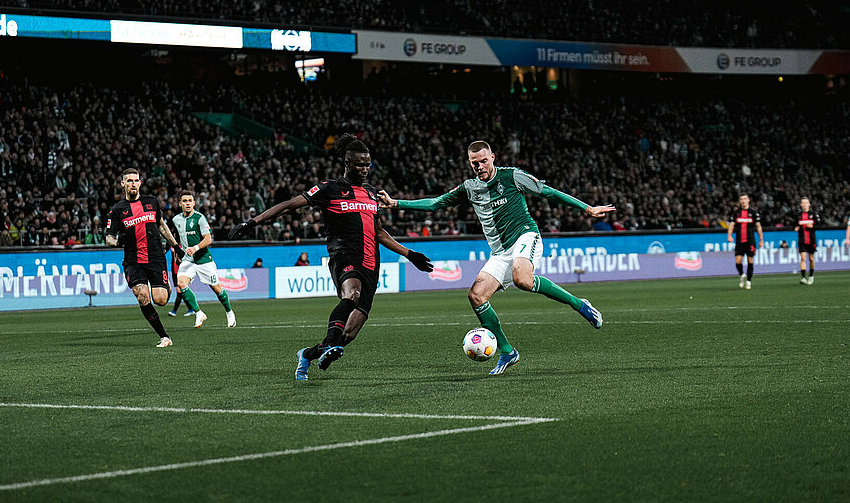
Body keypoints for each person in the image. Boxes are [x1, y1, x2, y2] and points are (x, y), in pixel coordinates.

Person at [378, 140, 614, 376]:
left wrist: (587, 209)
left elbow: (549, 193)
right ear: (469, 164)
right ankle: (507, 351)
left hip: (525, 236)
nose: (479, 166)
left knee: (522, 278)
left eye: (483, 161)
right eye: (474, 163)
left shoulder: (513, 177)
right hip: (500, 253)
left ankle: (579, 304)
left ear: (493, 158)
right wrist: (396, 203)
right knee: (476, 296)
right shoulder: (469, 188)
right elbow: (435, 204)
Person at [228, 134, 434, 381]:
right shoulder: (329, 188)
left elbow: (379, 232)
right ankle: (328, 347)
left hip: (371, 263)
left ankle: (307, 354)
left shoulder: (370, 193)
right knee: (352, 295)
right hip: (343, 256)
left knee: (347, 335)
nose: (365, 169)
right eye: (360, 164)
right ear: (347, 164)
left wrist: (410, 255)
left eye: (368, 164)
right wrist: (253, 222)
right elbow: (289, 205)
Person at [105, 168, 183, 347]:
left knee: (161, 300)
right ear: (123, 184)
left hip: (155, 256)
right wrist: (117, 243)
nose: (133, 184)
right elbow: (109, 237)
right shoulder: (117, 210)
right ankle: (164, 336)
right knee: (142, 296)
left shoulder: (151, 202)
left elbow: (161, 225)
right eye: (129, 181)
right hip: (133, 260)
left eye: (136, 180)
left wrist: (176, 247)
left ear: (140, 183)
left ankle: (165, 287)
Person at [172, 189, 236, 328]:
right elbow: (177, 237)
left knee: (217, 289)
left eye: (190, 201)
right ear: (180, 204)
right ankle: (198, 313)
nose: (187, 203)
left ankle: (229, 312)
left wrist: (195, 248)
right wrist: (178, 254)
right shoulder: (176, 220)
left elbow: (208, 239)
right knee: (181, 283)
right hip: (188, 260)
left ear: (194, 203)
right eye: (184, 201)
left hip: (203, 259)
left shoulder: (199, 218)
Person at [726, 194, 763, 290]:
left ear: (749, 200)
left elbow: (758, 226)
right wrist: (729, 236)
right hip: (739, 240)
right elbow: (732, 225)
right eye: (741, 199)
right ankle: (742, 274)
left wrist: (761, 239)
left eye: (745, 199)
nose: (743, 201)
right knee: (738, 261)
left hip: (750, 240)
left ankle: (749, 281)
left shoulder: (753, 213)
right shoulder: (736, 213)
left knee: (750, 260)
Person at [794, 197, 820, 285]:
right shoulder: (798, 215)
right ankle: (803, 277)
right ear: (801, 205)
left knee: (811, 259)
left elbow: (819, 225)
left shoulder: (814, 214)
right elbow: (794, 225)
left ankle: (811, 276)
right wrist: (796, 228)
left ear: (809, 204)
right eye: (803, 203)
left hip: (811, 240)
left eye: (806, 203)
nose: (804, 204)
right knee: (803, 258)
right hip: (802, 240)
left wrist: (812, 226)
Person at [167, 243, 195, 317]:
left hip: (182, 270)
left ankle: (174, 311)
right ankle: (191, 309)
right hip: (175, 270)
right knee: (182, 291)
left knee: (179, 291)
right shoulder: (173, 245)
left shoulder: (184, 246)